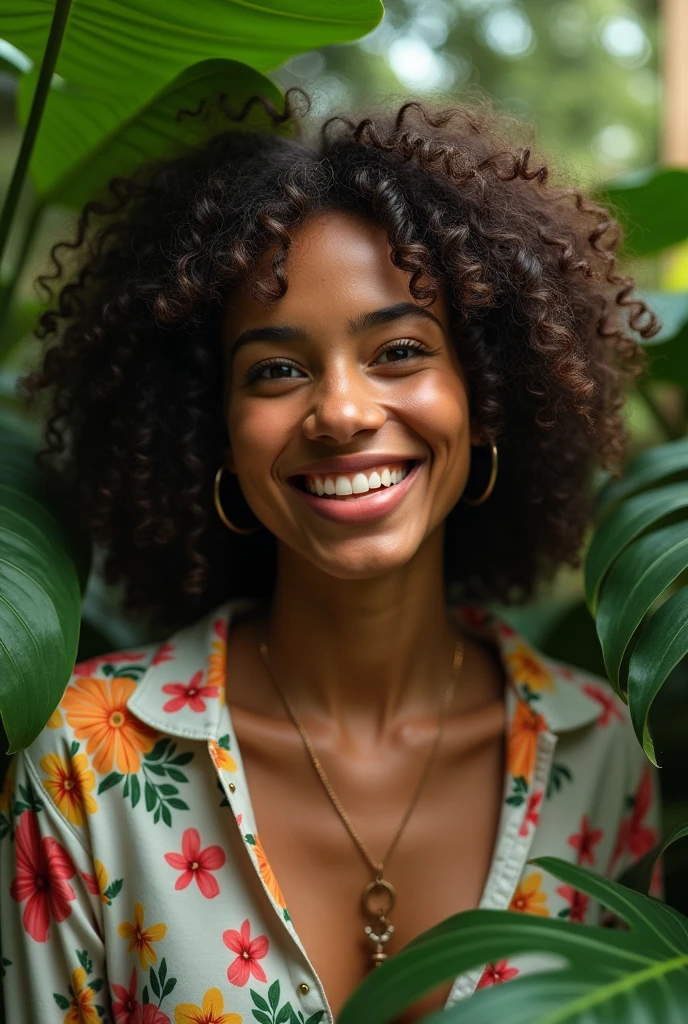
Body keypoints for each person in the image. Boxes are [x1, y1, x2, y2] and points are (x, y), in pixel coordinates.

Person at [0, 94, 661, 1024]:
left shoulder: (603, 752)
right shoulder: (82, 765)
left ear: (485, 398)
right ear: (214, 433)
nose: (342, 412)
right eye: (276, 369)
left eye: (398, 350)